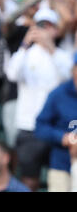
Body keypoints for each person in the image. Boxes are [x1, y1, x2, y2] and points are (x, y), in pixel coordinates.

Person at [6, 7, 73, 191]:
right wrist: (25, 44)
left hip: (56, 128)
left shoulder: (63, 54)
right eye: (39, 25)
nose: (44, 29)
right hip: (29, 127)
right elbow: (12, 74)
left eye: (48, 25)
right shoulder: (25, 54)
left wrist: (50, 48)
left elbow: (69, 76)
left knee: (59, 179)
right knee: (30, 180)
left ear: (56, 30)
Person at [35, 51, 77, 192]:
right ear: (73, 70)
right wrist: (63, 138)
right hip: (62, 163)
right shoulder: (59, 94)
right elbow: (40, 126)